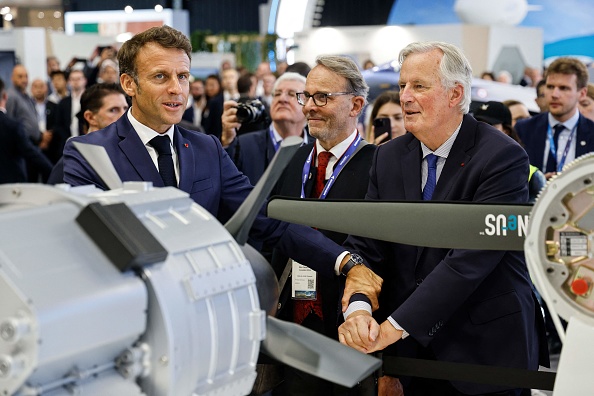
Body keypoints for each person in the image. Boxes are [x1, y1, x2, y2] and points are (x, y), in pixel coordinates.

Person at [61, 25, 381, 313]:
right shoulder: (89, 153)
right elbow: (86, 249)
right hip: (133, 317)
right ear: (129, 83)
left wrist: (345, 262)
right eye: (161, 76)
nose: (176, 88)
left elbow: (265, 217)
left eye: (183, 76)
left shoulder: (207, 149)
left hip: (206, 311)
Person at [338, 41, 548, 396]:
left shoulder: (502, 157)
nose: (405, 96)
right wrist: (358, 309)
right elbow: (367, 242)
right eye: (402, 86)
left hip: (485, 353)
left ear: (455, 94)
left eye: (419, 86)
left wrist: (392, 327)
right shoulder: (386, 158)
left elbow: (470, 260)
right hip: (412, 357)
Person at [270, 55, 387, 396]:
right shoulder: (288, 160)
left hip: (351, 326)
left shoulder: (378, 166)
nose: (309, 107)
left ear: (356, 105)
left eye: (323, 97)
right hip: (291, 326)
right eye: (306, 96)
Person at [221, 72, 309, 185]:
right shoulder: (244, 145)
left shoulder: (318, 149)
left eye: (291, 94)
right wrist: (226, 141)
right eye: (277, 94)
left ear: (308, 105)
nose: (282, 99)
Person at [516, 57, 594, 179]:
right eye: (550, 87)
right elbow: (512, 178)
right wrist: (535, 183)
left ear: (582, 93)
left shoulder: (591, 133)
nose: (554, 95)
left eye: (563, 88)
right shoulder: (524, 130)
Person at [47, 83, 129, 184]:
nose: (124, 116)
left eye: (125, 109)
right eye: (113, 110)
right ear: (90, 117)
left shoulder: (127, 153)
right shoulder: (74, 160)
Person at [474, 101, 545, 203]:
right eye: (477, 125)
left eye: (490, 125)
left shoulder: (533, 176)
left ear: (506, 130)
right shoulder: (463, 165)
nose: (482, 131)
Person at [0, 78, 53, 184]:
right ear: (5, 96)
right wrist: (55, 172)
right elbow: (31, 153)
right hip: (10, 188)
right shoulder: (12, 126)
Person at [6, 64, 46, 146]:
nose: (24, 80)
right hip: (21, 144)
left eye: (26, 76)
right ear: (12, 78)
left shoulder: (26, 96)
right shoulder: (11, 96)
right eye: (20, 77)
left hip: (33, 143)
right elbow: (9, 122)